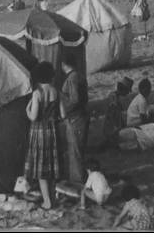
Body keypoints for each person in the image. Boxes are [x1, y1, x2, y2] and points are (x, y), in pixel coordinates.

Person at [25, 61, 63, 210]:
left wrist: (27, 110)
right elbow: (64, 114)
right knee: (51, 168)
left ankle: (47, 201)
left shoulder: (37, 93)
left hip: (39, 131)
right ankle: (52, 198)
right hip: (52, 131)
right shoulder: (56, 91)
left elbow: (34, 117)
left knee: (41, 171)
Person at [59, 56, 88, 181]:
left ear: (64, 64)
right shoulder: (79, 76)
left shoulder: (72, 78)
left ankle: (78, 181)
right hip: (80, 116)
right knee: (78, 151)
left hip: (75, 118)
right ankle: (79, 179)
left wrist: (63, 111)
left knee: (75, 152)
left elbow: (75, 100)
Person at [102, 77, 134, 148]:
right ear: (123, 89)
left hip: (112, 129)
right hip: (112, 131)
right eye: (128, 91)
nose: (128, 93)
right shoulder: (114, 99)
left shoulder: (115, 96)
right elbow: (113, 118)